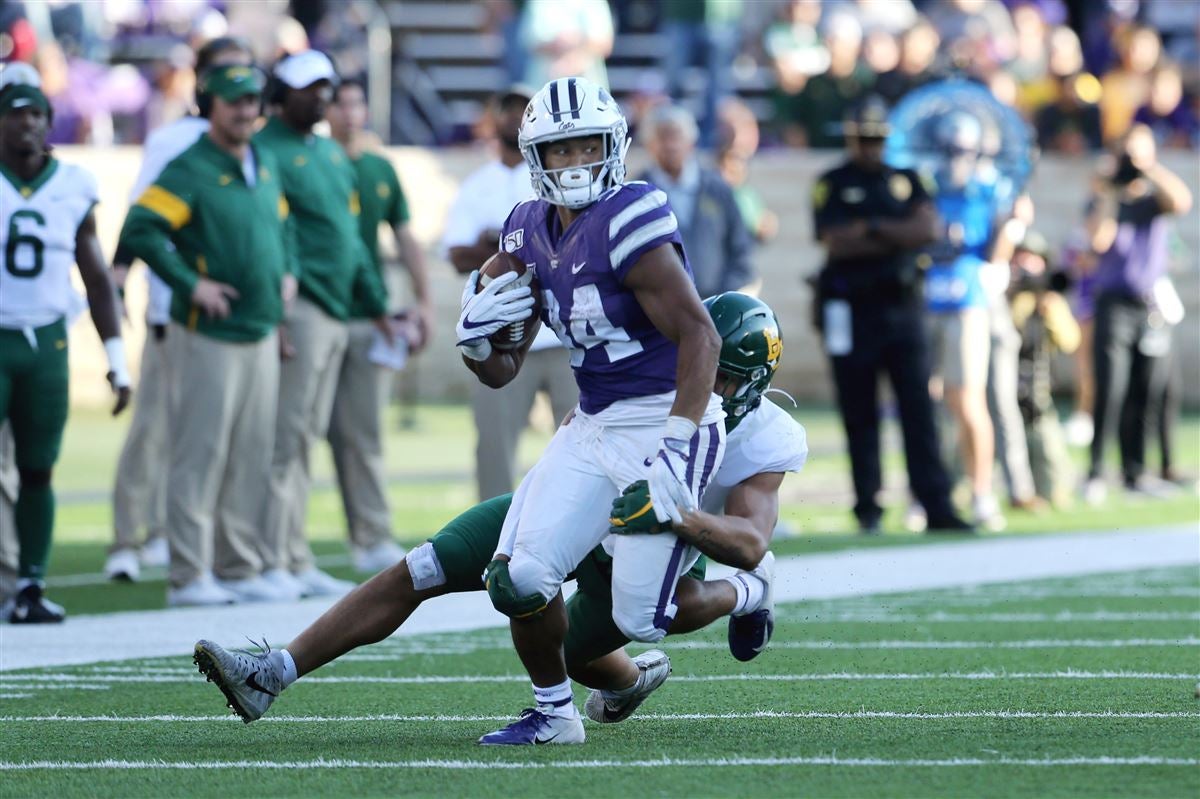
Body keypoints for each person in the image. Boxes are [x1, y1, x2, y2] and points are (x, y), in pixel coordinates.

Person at [193, 293, 805, 731]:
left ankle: (746, 597)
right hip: (582, 503)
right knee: (427, 566)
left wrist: (679, 517)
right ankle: (272, 672)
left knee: (629, 628)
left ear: (752, 382)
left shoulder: (764, 438)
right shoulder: (646, 375)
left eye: (717, 376)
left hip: (657, 536)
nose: (694, 379)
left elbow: (749, 536)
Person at [460, 77, 733, 746]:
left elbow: (701, 334)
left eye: (588, 145)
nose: (576, 161)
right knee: (518, 575)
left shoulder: (631, 215)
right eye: (560, 149)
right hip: (593, 421)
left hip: (663, 415)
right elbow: (501, 372)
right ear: (536, 157)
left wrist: (676, 440)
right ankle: (554, 712)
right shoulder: (523, 228)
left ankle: (749, 588)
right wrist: (471, 339)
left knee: (643, 616)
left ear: (611, 146)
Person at [120, 64, 294, 607]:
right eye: (234, 102)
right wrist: (190, 284)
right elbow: (139, 229)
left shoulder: (259, 160)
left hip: (260, 328)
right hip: (210, 333)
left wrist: (287, 272)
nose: (246, 111)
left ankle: (238, 567)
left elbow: (281, 225)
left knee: (251, 453)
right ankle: (189, 575)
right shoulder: (191, 166)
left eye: (252, 101)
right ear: (209, 106)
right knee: (201, 454)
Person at [106, 35, 255, 583]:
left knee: (209, 435)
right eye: (225, 76)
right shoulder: (177, 142)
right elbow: (140, 216)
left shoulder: (248, 146)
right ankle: (126, 537)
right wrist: (122, 277)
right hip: (179, 308)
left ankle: (174, 536)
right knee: (155, 427)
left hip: (234, 319)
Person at [254, 50, 392, 598]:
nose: (320, 97)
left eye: (325, 87)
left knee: (305, 437)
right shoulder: (267, 149)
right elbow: (272, 235)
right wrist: (279, 312)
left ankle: (293, 552)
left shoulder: (332, 155)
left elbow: (355, 241)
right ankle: (271, 556)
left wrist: (379, 305)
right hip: (303, 306)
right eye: (307, 87)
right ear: (282, 93)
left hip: (337, 309)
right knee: (284, 438)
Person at [0, 66, 132, 623]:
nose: (27, 123)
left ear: (50, 122)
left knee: (38, 469)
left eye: (37, 113)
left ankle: (30, 585)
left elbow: (97, 278)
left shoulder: (74, 185)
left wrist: (117, 362)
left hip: (48, 342)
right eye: (16, 112)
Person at [811, 96, 971, 535]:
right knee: (858, 412)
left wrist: (872, 228)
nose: (870, 148)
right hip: (852, 307)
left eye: (877, 139)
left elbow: (927, 230)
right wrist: (895, 236)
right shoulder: (832, 182)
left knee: (918, 409)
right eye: (863, 139)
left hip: (902, 309)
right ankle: (869, 507)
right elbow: (836, 242)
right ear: (850, 138)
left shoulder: (908, 179)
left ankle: (936, 504)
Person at [441, 86, 578, 502]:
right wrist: (512, 251)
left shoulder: (555, 180)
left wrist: (503, 246)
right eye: (508, 112)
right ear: (494, 119)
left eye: (524, 113)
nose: (515, 120)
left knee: (580, 442)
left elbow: (569, 245)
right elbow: (457, 253)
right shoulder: (478, 184)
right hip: (501, 329)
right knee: (494, 449)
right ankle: (491, 533)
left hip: (563, 330)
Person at [324, 78, 432, 573]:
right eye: (340, 103)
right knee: (292, 437)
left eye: (356, 102)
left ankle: (372, 533)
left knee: (362, 432)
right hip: (320, 310)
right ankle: (271, 548)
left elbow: (405, 236)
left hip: (370, 320)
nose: (350, 112)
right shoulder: (315, 163)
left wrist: (424, 299)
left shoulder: (379, 168)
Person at [1084, 125, 1192, 503]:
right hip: (1113, 301)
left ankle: (1136, 472)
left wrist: (1148, 167)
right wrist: (1109, 189)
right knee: (1110, 388)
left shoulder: (1152, 198)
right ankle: (1096, 469)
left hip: (1150, 305)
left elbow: (1181, 201)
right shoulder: (1107, 198)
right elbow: (1099, 240)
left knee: (1146, 391)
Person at [921, 110, 1011, 530]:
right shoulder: (927, 186)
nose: (955, 157)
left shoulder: (991, 188)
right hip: (927, 295)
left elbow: (999, 241)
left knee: (968, 398)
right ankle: (928, 491)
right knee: (924, 400)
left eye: (962, 149)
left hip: (967, 298)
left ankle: (980, 492)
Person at [639, 104, 756, 300]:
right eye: (662, 137)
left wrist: (724, 299)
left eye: (676, 136)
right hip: (661, 315)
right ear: (649, 145)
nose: (670, 145)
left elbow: (741, 250)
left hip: (717, 309)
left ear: (691, 141)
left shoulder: (718, 189)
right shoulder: (637, 196)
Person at [1008, 231, 1080, 507]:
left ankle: (1049, 492)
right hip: (1000, 389)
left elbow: (1070, 342)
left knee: (1049, 457)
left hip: (1036, 394)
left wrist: (1050, 312)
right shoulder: (1004, 294)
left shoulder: (1049, 299)